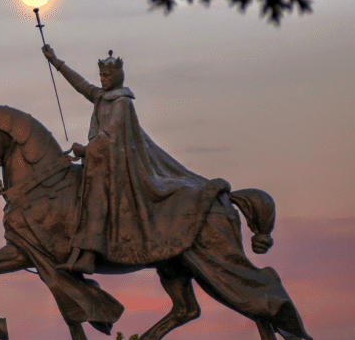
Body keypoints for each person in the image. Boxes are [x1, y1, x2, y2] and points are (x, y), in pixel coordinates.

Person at [41, 44, 228, 274]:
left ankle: (89, 253)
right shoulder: (102, 97)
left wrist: (85, 151)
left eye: (107, 75)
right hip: (99, 163)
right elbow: (81, 85)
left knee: (96, 195)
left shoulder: (122, 103)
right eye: (101, 75)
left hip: (118, 167)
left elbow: (108, 137)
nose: (103, 79)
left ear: (117, 76)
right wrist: (56, 61)